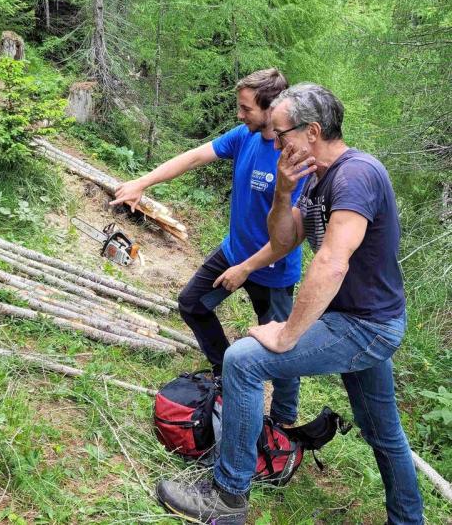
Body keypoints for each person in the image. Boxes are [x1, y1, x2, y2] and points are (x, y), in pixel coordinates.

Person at [156, 83, 423, 525]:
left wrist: (288, 332)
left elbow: (333, 262)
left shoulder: (357, 176)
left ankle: (228, 496)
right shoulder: (316, 177)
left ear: (313, 130)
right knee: (383, 432)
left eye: (283, 135)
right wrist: (282, 193)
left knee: (243, 360)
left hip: (365, 326)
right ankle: (409, 520)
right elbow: (282, 241)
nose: (276, 144)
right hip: (362, 320)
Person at [111, 68, 304, 425]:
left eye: (245, 108)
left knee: (281, 345)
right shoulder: (244, 136)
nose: (239, 114)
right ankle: (225, 371)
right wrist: (142, 182)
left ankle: (283, 418)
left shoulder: (294, 157)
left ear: (269, 108)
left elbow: (290, 235)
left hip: (272, 269)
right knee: (191, 304)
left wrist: (247, 269)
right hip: (233, 251)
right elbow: (195, 157)